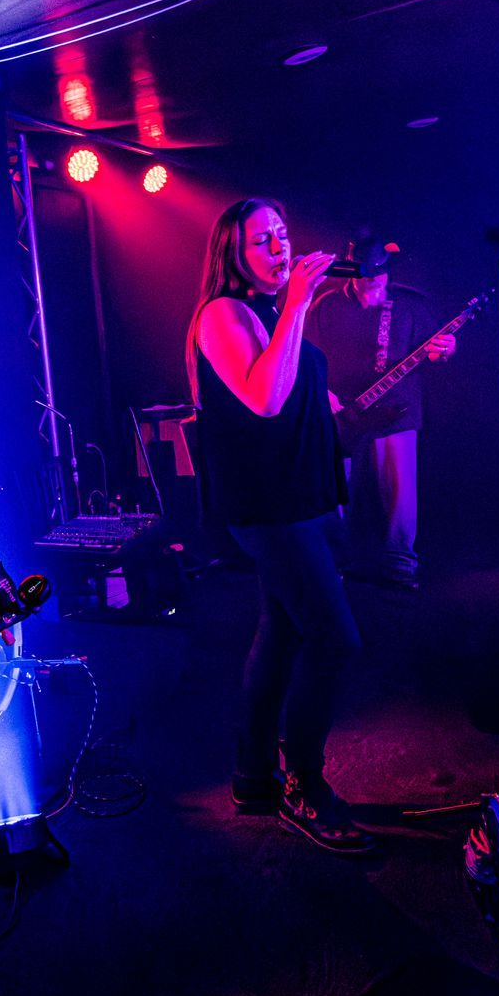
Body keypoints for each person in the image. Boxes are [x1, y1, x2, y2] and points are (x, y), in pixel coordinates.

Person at [187, 198, 371, 854]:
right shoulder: (221, 314)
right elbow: (263, 399)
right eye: (262, 239)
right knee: (335, 638)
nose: (279, 247)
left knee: (284, 631)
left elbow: (290, 388)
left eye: (283, 234)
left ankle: (253, 776)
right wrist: (297, 304)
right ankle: (304, 783)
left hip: (301, 495)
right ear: (232, 252)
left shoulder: (269, 311)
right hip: (269, 507)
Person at [307, 240, 455, 590]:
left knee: (399, 495)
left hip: (397, 411)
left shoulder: (410, 304)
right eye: (363, 273)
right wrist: (324, 395)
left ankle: (400, 565)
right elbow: (303, 355)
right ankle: (339, 563)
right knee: (338, 494)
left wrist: (445, 352)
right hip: (339, 412)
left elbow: (438, 350)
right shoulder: (325, 306)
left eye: (378, 273)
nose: (371, 280)